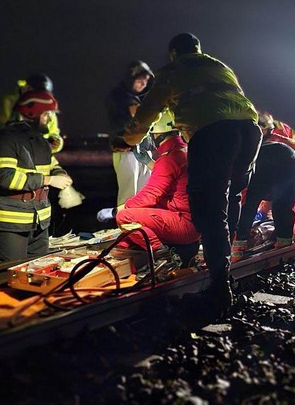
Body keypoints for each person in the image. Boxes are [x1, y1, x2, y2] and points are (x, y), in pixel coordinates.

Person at [120, 33, 260, 312]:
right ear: (198, 49)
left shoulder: (173, 70)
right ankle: (223, 272)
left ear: (173, 53)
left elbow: (148, 113)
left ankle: (219, 291)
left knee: (208, 211)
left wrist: (128, 140)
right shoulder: (219, 65)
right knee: (229, 200)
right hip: (249, 132)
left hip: (212, 134)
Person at [0, 90, 73, 263]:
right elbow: (5, 177)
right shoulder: (5, 140)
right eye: (47, 114)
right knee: (8, 273)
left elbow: (52, 165)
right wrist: (48, 180)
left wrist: (59, 174)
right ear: (32, 114)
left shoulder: (40, 141)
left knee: (37, 271)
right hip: (10, 222)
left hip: (40, 221)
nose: (49, 119)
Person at [98, 109, 198, 260]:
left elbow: (149, 196)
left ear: (157, 135)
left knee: (126, 217)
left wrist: (117, 210)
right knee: (127, 239)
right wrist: (149, 162)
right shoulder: (182, 151)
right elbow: (171, 178)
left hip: (183, 223)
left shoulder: (169, 157)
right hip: (192, 221)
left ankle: (162, 255)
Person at [236, 141, 295, 255]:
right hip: (292, 161)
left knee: (248, 205)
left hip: (268, 163)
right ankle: (284, 244)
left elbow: (245, 205)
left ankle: (238, 248)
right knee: (282, 206)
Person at [106, 60, 155, 205]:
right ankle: (126, 225)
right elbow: (117, 123)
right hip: (126, 150)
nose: (143, 84)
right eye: (140, 80)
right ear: (131, 79)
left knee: (145, 193)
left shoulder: (139, 99)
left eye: (146, 81)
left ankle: (142, 225)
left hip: (144, 150)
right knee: (128, 194)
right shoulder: (118, 97)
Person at [0, 73, 64, 153]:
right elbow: (0, 127)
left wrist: (56, 142)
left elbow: (54, 132)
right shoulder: (10, 104)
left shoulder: (49, 112)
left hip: (40, 155)